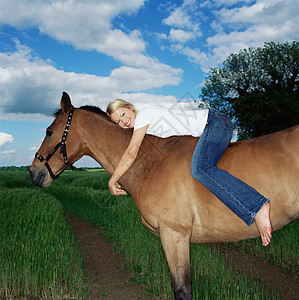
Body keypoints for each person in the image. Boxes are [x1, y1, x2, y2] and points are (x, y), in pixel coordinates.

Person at [106, 99, 272, 246]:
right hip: (210, 127)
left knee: (201, 168)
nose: (124, 121)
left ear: (130, 108)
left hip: (214, 123)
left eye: (123, 114)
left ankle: (257, 206)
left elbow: (130, 153)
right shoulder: (146, 127)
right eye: (118, 122)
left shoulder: (143, 117)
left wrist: (113, 180)